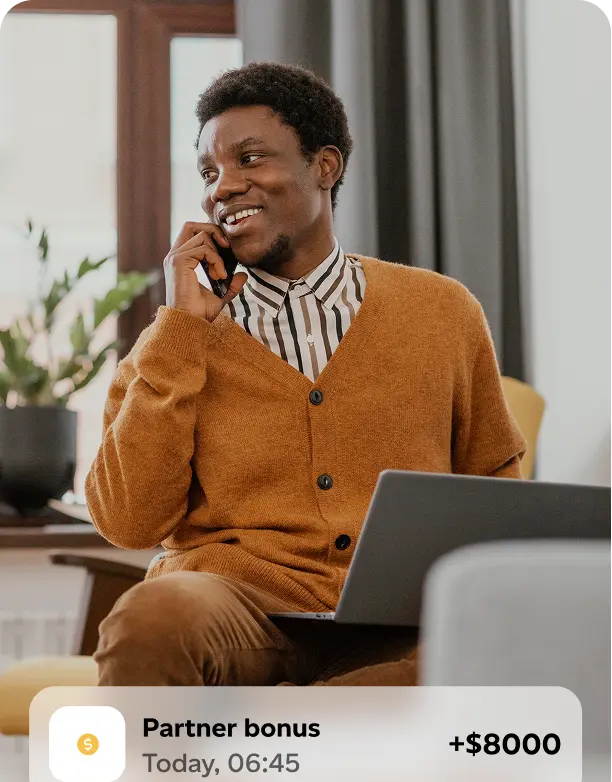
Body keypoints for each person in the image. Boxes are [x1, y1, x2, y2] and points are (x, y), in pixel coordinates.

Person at [86, 62, 526, 686]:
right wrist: (182, 329)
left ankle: (297, 723)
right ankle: (319, 719)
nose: (223, 188)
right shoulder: (173, 344)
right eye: (209, 172)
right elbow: (127, 521)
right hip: (238, 607)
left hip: (397, 624)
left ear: (325, 167)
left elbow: (497, 494)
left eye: (250, 159)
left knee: (478, 663)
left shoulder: (443, 312)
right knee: (153, 617)